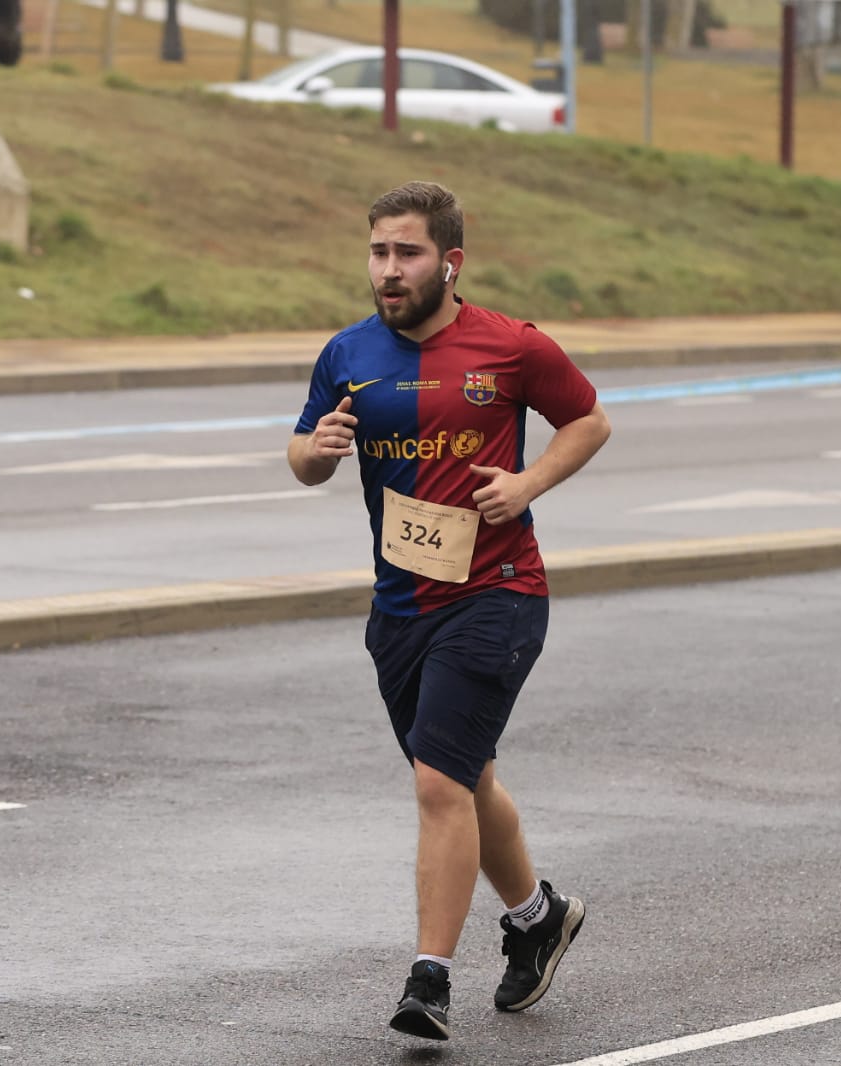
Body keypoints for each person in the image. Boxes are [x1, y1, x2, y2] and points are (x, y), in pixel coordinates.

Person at [287, 181, 612, 1042]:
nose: (388, 271)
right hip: (398, 609)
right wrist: (314, 451)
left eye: (408, 253)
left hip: (497, 594)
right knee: (466, 779)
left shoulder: (509, 347)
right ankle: (538, 918)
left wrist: (528, 482)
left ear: (450, 261)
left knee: (437, 782)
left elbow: (588, 420)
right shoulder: (348, 352)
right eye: (378, 253)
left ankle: (429, 978)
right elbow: (302, 452)